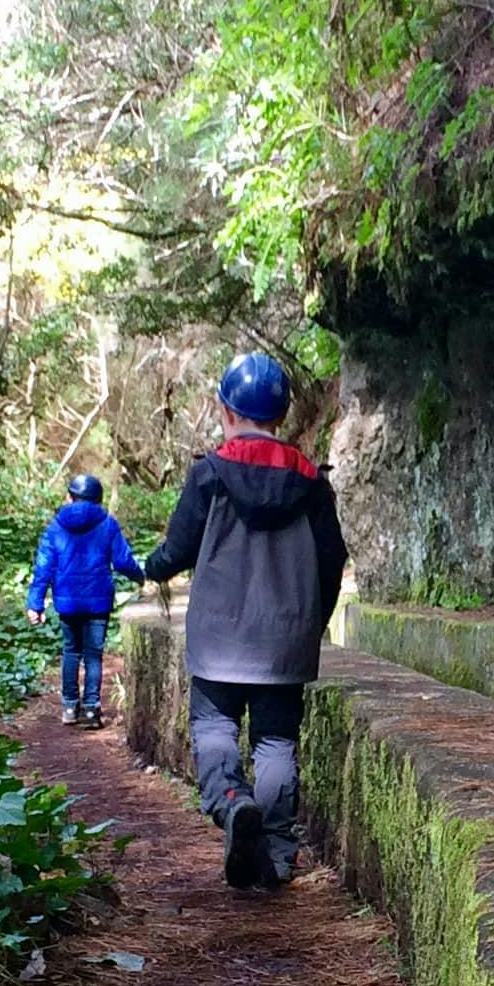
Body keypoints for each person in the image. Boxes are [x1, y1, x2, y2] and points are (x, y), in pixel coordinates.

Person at [140, 351, 347, 889]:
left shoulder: (210, 473)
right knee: (276, 742)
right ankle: (278, 851)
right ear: (281, 415)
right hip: (285, 639)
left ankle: (232, 801)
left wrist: (152, 567)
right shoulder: (311, 482)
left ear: (227, 411)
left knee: (214, 727)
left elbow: (179, 548)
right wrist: (312, 621)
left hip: (217, 638)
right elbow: (332, 559)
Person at [27, 473, 144, 727]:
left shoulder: (56, 526)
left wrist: (35, 602)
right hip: (98, 602)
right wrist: (143, 576)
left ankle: (70, 708)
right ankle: (91, 710)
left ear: (70, 496)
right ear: (98, 499)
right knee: (93, 655)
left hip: (67, 602)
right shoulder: (108, 524)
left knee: (71, 651)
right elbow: (123, 561)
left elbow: (43, 567)